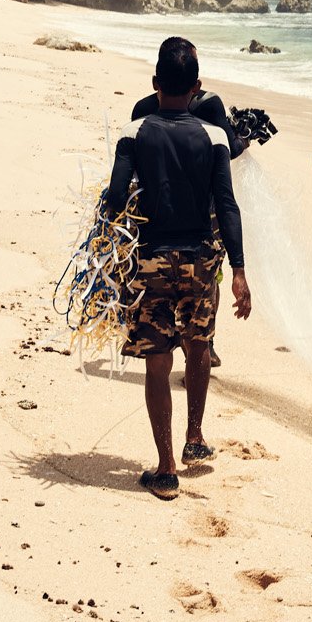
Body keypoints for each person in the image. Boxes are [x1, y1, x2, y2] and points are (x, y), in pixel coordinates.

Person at [104, 39, 251, 501]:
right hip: (200, 260)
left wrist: (106, 245)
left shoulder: (134, 132)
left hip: (149, 260)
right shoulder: (214, 138)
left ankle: (166, 468)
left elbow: (113, 200)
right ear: (197, 88)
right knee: (199, 346)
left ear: (154, 85)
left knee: (157, 361)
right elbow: (226, 205)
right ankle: (194, 437)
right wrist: (241, 271)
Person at [131, 37, 242, 366]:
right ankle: (205, 340)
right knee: (209, 280)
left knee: (161, 284)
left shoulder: (142, 108)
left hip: (154, 217)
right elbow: (229, 150)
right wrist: (244, 140)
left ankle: (168, 341)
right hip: (204, 218)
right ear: (195, 80)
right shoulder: (209, 104)